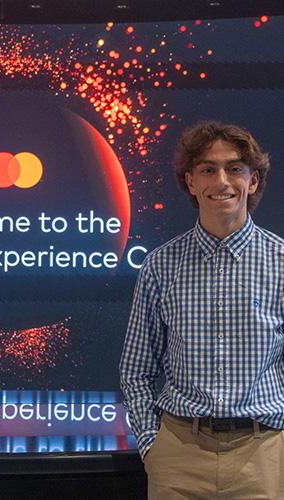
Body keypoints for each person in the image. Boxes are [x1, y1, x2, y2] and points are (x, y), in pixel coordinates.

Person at [119, 121, 283, 499]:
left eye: (235, 168)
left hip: (263, 455)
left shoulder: (281, 262)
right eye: (208, 169)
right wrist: (151, 444)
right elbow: (136, 370)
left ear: (253, 181)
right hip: (178, 455)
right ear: (191, 182)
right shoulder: (161, 266)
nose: (221, 181)